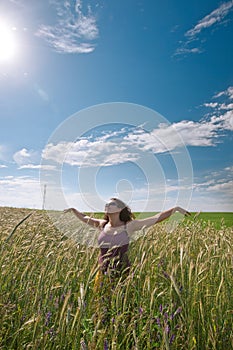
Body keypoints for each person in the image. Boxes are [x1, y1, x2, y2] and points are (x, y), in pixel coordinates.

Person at [64, 198, 191, 283]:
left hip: (122, 273)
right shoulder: (102, 224)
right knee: (100, 308)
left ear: (120, 209)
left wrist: (175, 209)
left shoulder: (129, 226)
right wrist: (74, 210)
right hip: (102, 273)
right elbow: (85, 218)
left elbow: (155, 218)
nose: (107, 205)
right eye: (106, 204)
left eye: (111, 204)